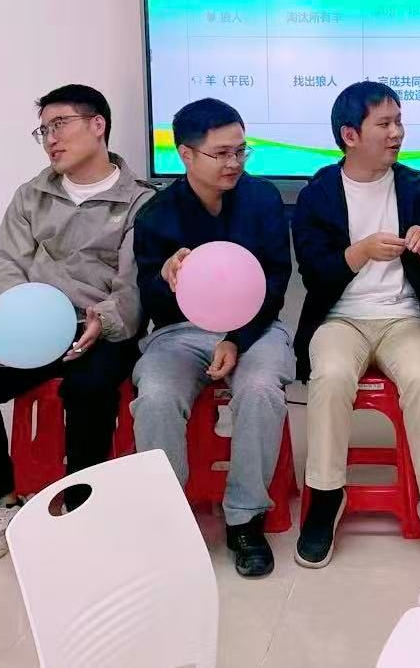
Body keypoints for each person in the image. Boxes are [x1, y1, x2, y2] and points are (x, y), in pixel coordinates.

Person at [0, 85, 155, 564]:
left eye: (60, 125)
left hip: (99, 327)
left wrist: (106, 321)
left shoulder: (138, 202)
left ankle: (81, 509)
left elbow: (133, 285)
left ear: (97, 125)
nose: (50, 139)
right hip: (33, 325)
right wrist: (6, 325)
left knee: (89, 387)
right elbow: (5, 266)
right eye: (43, 130)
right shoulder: (31, 196)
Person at [291, 82, 420, 567]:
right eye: (384, 124)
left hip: (403, 317)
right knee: (329, 377)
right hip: (340, 318)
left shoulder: (417, 186)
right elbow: (315, 274)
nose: (396, 133)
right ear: (350, 135)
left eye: (399, 121)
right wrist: (361, 252)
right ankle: (326, 498)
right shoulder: (318, 193)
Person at [131, 98, 295, 579]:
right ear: (185, 154)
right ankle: (167, 521)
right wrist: (166, 278)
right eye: (221, 153)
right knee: (156, 396)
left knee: (261, 389)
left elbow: (276, 281)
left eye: (241, 151)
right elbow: (148, 299)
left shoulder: (263, 199)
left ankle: (245, 519)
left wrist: (237, 339)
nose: (234, 163)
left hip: (255, 328)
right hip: (179, 333)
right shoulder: (157, 213)